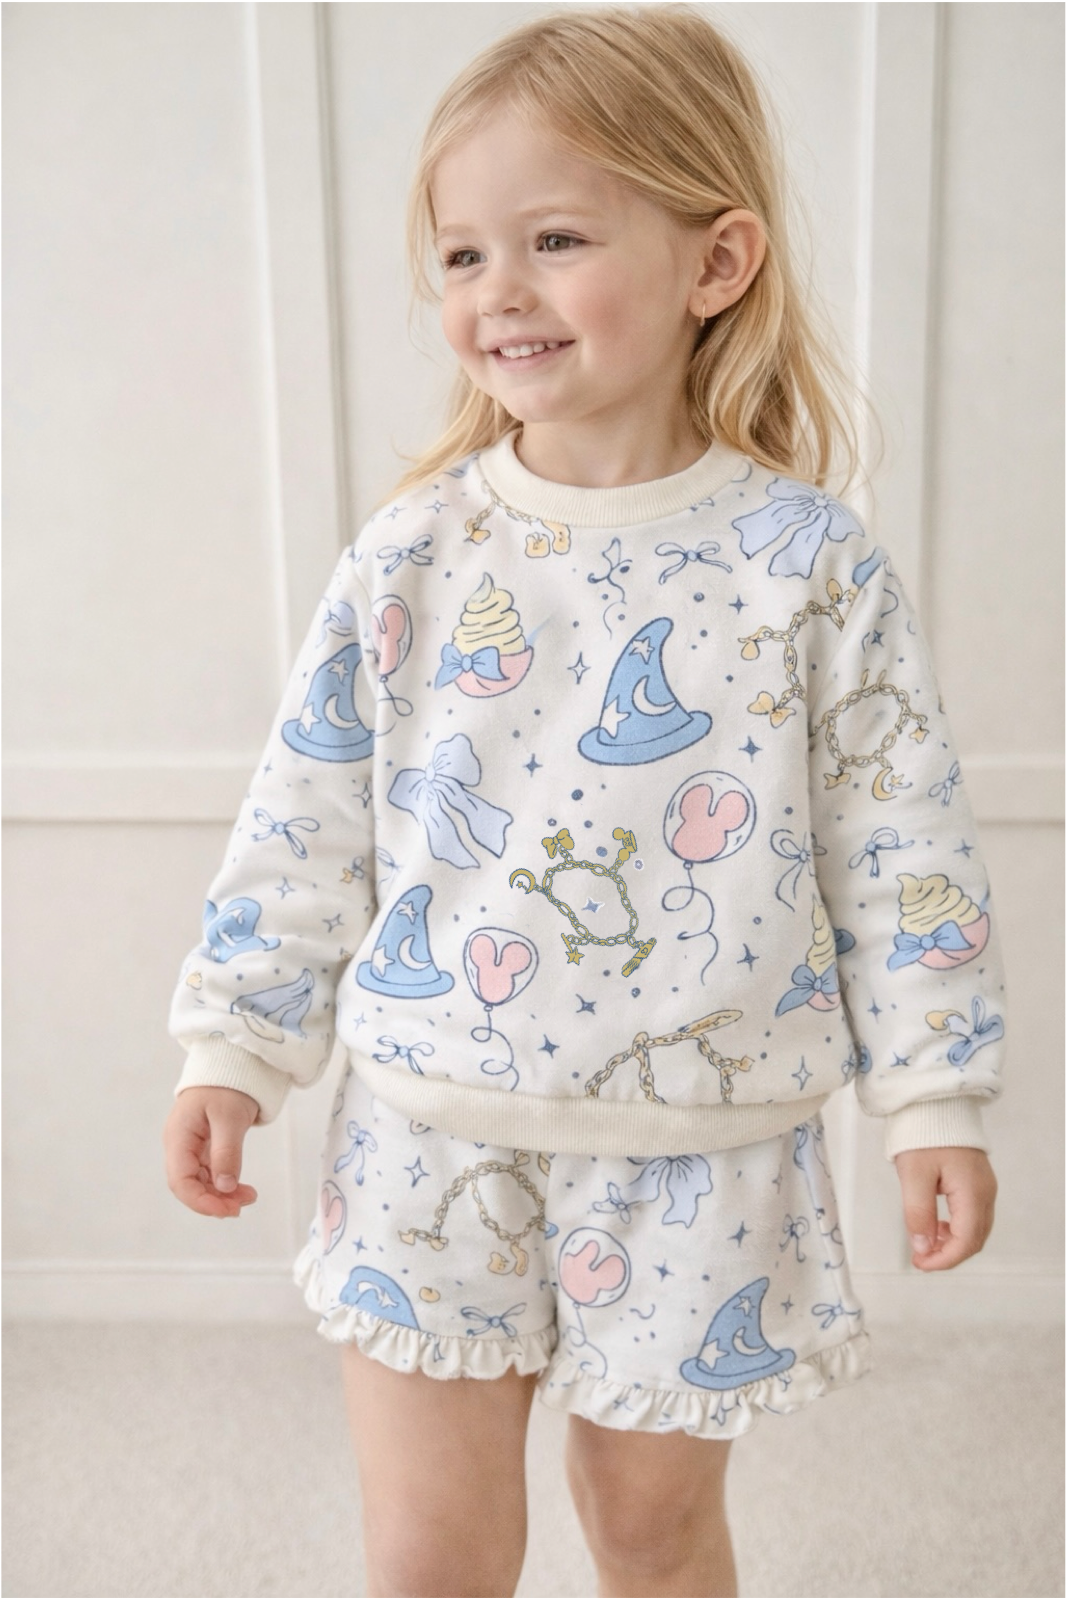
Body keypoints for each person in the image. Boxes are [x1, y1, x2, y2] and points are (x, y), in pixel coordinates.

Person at [163, 7, 1004, 1595]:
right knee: (429, 1556)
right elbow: (306, 817)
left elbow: (900, 849)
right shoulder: (413, 552)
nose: (498, 291)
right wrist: (237, 1045)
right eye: (461, 254)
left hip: (705, 1151)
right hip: (424, 1134)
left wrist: (932, 1099)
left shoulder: (807, 566)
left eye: (553, 239)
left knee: (653, 1539)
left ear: (715, 261)